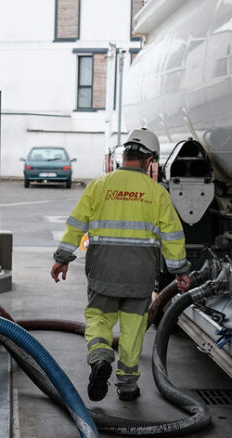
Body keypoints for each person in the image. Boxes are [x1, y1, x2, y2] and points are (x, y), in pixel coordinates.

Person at [51, 128, 191, 402]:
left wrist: (62, 259)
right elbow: (173, 236)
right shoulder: (157, 193)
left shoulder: (99, 186)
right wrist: (180, 271)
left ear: (123, 155)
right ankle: (127, 386)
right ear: (150, 160)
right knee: (133, 330)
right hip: (139, 276)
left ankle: (101, 357)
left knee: (98, 320)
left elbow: (76, 225)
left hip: (103, 271)